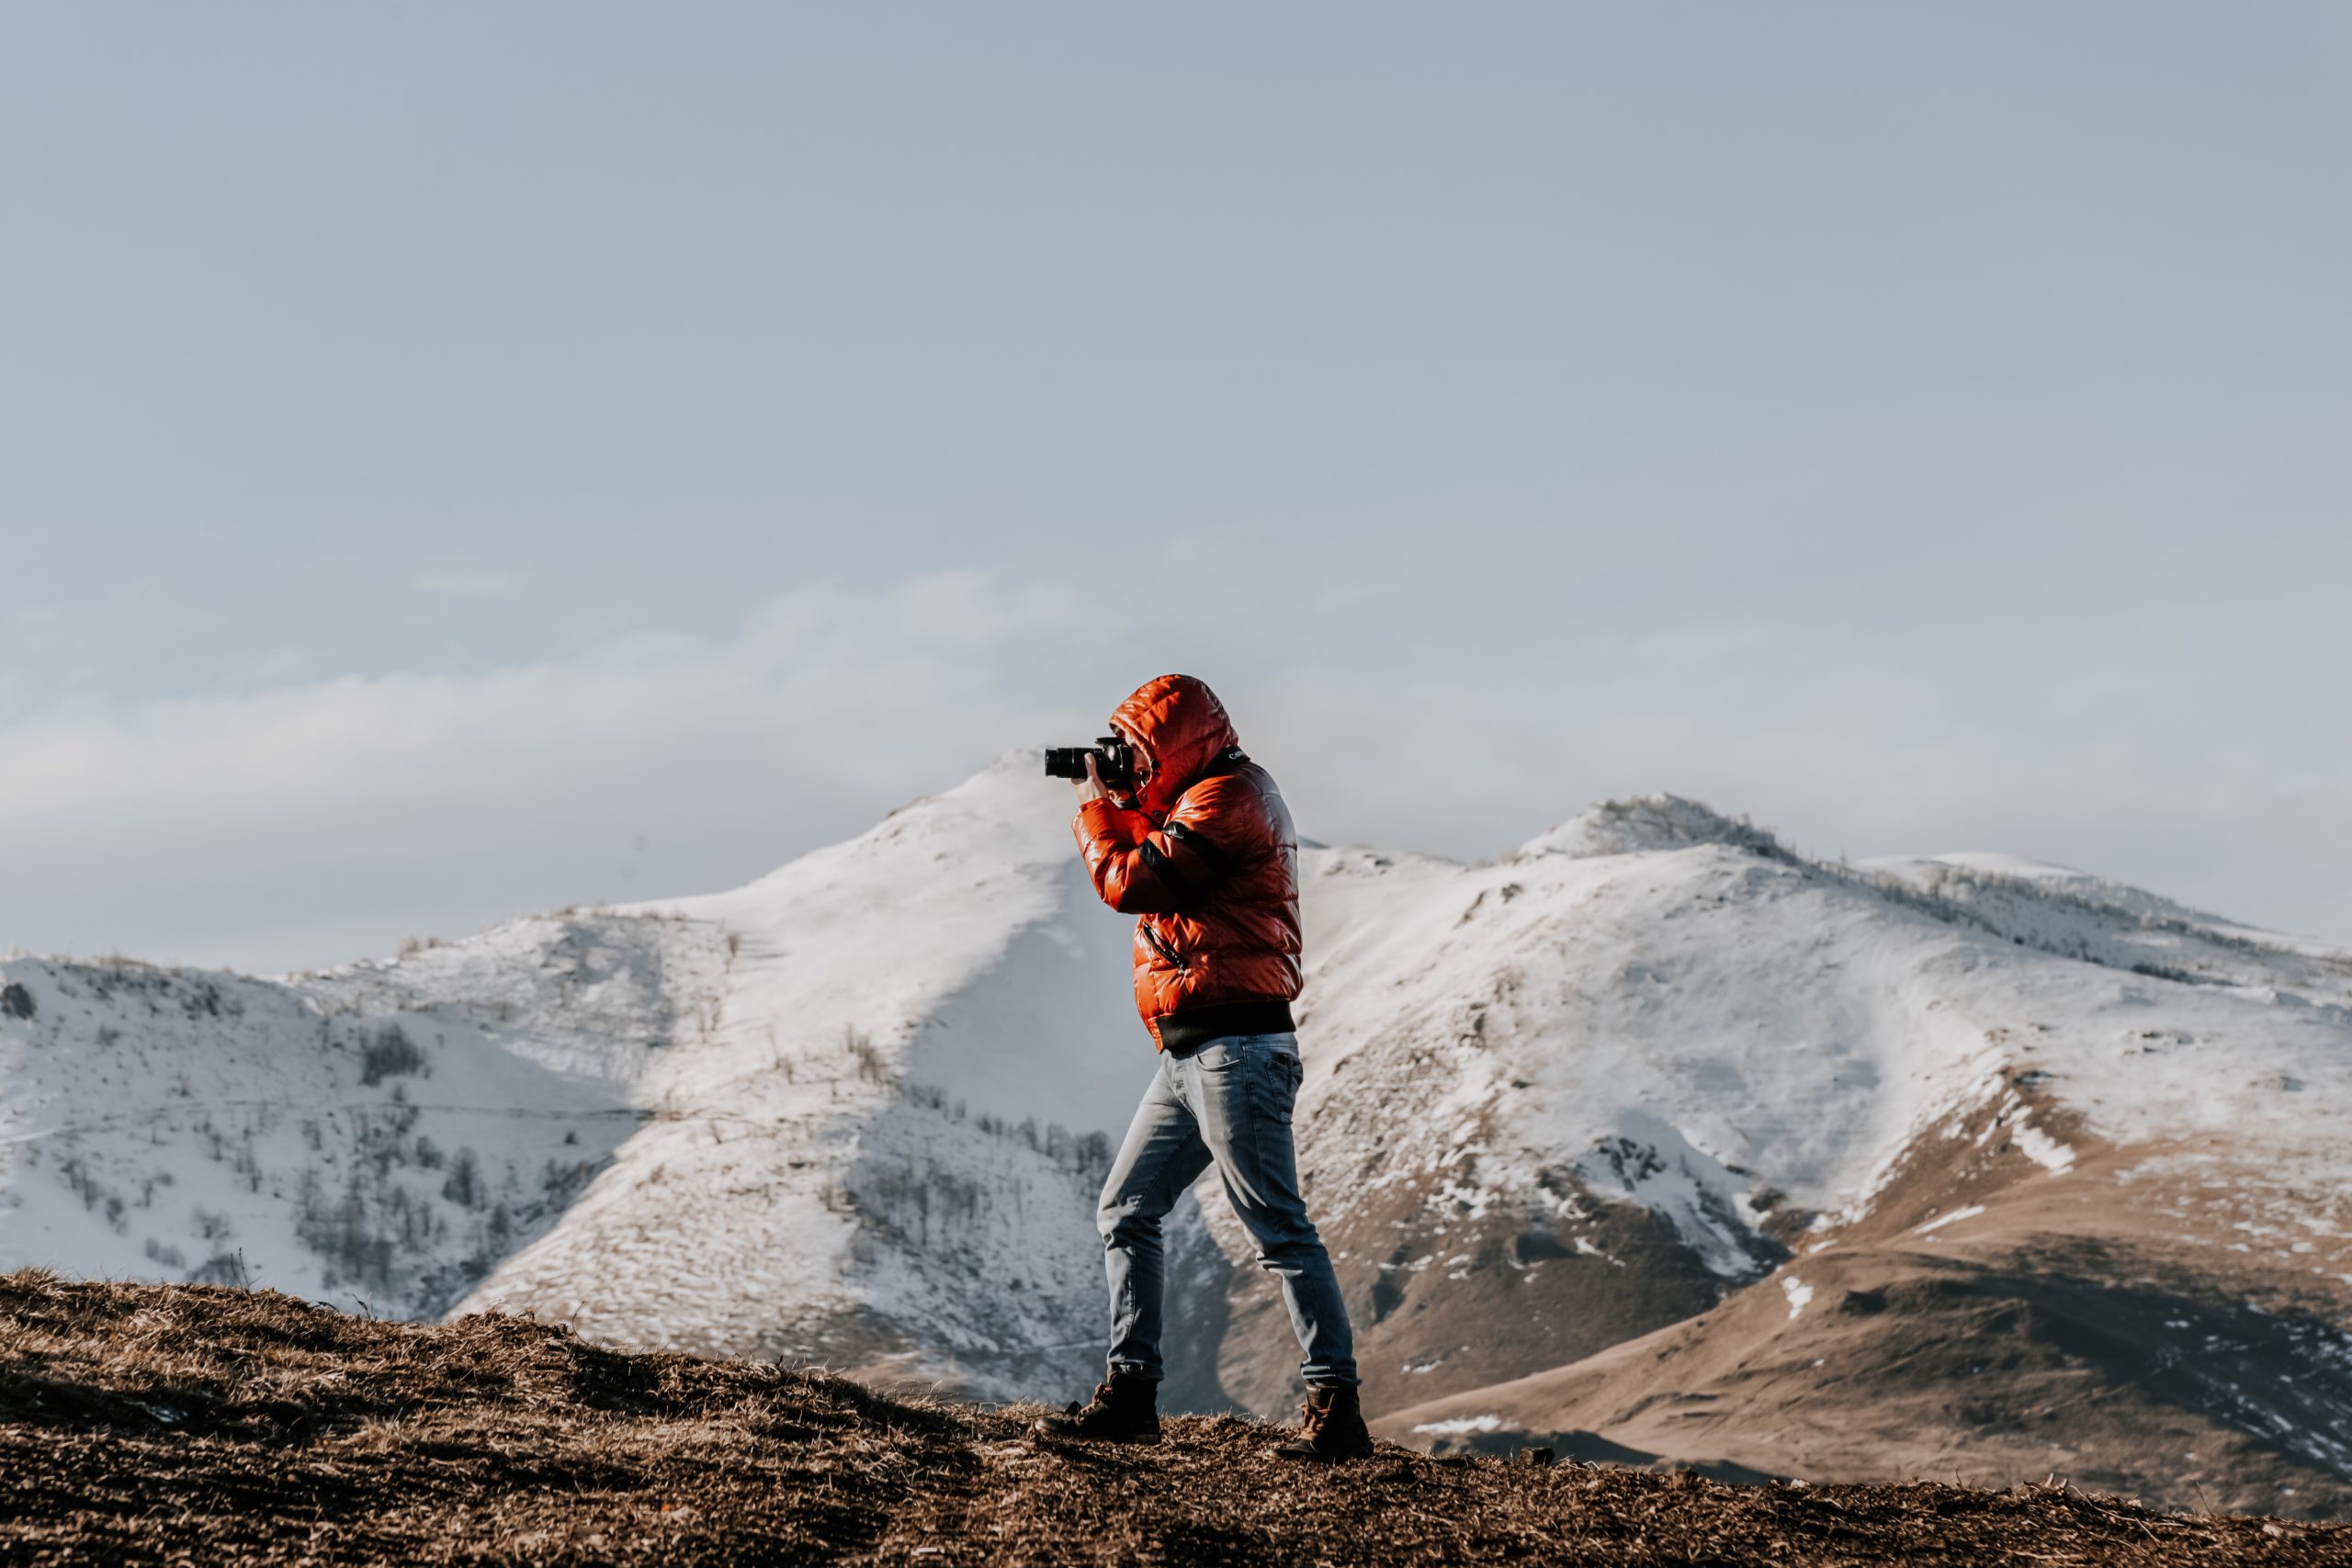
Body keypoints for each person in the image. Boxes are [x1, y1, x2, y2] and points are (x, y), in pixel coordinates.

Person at [1035, 673, 1371, 1461]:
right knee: (1127, 1207)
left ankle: (1337, 1407)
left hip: (1239, 1047)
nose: (1128, 765)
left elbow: (1136, 880)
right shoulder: (1207, 795)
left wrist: (1097, 807)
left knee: (1278, 1227)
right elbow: (1164, 850)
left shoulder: (1232, 800)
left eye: (1137, 752)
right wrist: (1128, 795)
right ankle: (1132, 1394)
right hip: (1191, 1050)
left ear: (1174, 745)